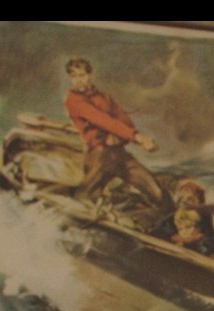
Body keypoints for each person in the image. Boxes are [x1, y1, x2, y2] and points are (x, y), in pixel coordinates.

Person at [62, 57, 171, 227]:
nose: (78, 80)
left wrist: (119, 137)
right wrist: (138, 138)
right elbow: (102, 120)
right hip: (100, 156)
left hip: (119, 155)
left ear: (90, 75)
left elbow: (125, 121)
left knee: (157, 193)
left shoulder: (105, 97)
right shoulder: (74, 100)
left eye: (81, 75)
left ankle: (156, 225)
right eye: (74, 76)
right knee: (83, 198)